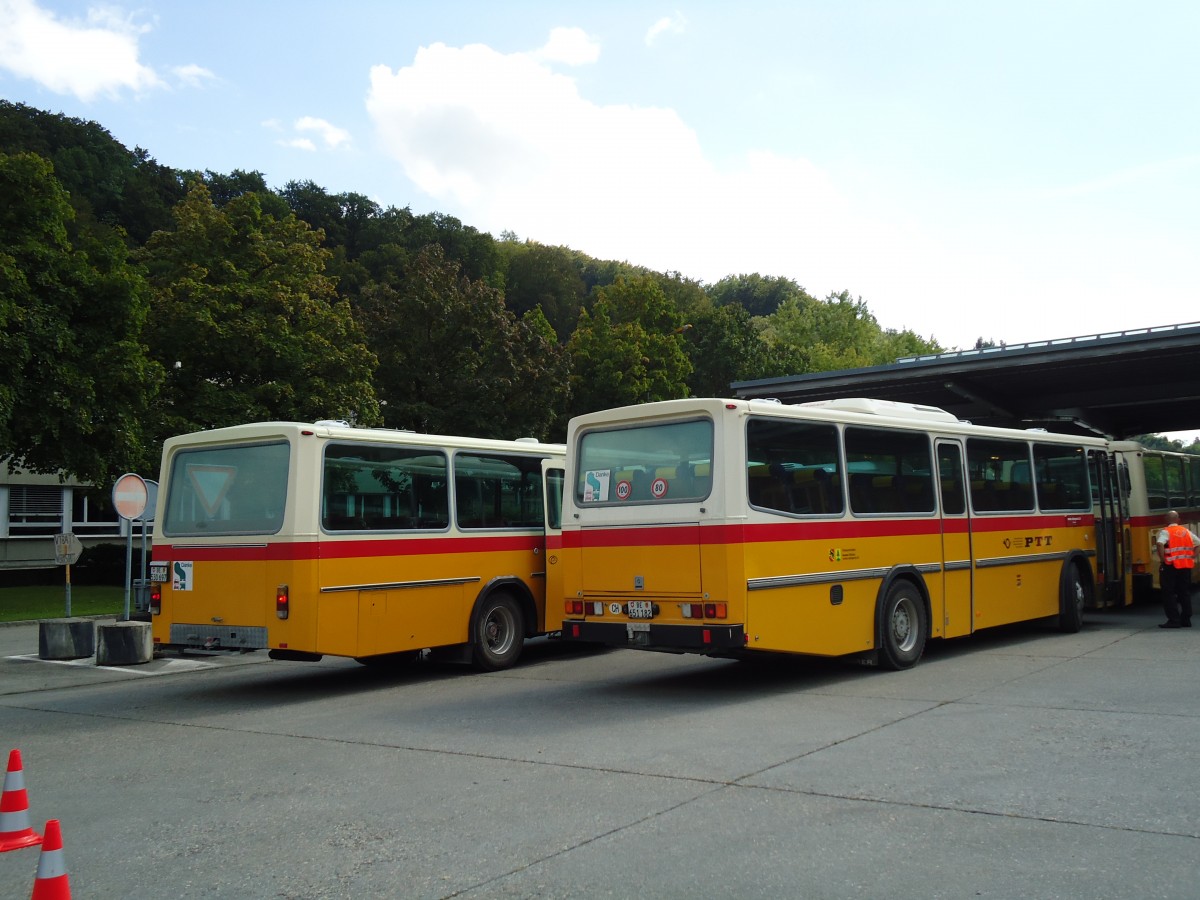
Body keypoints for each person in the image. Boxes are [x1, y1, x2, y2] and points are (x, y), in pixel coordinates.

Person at [1155, 510, 1200, 628]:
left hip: (1170, 566)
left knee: (1168, 593)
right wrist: (1194, 555)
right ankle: (1186, 619)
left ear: (1166, 520)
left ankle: (1174, 620)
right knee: (1184, 592)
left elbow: (1160, 544)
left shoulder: (1166, 532)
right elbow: (1198, 543)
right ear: (1178, 520)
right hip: (1185, 566)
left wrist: (1162, 559)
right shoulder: (1186, 531)